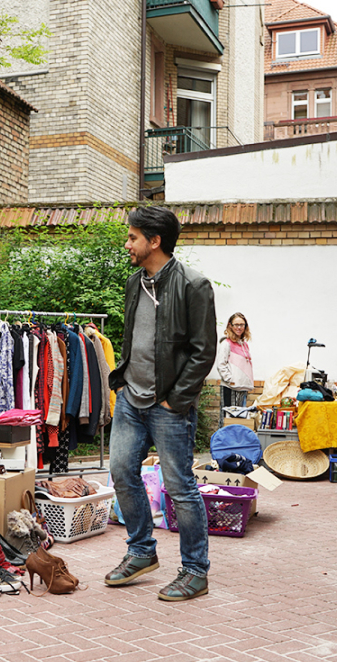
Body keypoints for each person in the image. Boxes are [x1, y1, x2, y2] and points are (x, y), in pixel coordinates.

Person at [105, 206, 216, 601]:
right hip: (131, 399)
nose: (127, 243)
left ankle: (195, 571)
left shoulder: (194, 285)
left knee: (179, 487)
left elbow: (203, 353)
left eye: (133, 237)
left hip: (168, 406)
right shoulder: (136, 282)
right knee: (121, 471)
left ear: (155, 241)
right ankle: (140, 552)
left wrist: (175, 401)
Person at [217, 312, 253, 426]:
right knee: (227, 419)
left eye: (242, 325)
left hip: (242, 387)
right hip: (230, 387)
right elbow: (221, 364)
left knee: (239, 419)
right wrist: (230, 379)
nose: (239, 327)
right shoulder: (226, 343)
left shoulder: (245, 345)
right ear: (230, 325)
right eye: (236, 324)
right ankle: (223, 443)